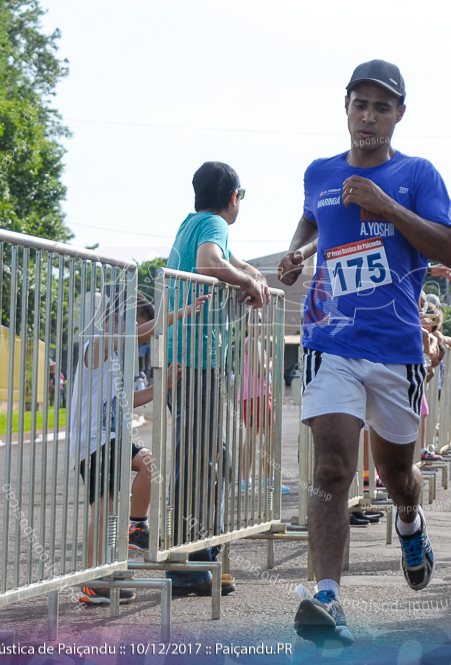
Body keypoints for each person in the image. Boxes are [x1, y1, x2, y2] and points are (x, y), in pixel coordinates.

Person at [277, 59, 451, 645]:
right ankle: (327, 597)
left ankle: (410, 521)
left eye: (383, 107)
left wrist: (387, 207)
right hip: (330, 339)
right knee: (332, 466)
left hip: (396, 347)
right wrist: (297, 253)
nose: (370, 116)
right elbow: (312, 218)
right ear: (347, 108)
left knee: (396, 473)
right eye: (361, 104)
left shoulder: (417, 174)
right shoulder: (320, 172)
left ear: (398, 115)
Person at [164, 161, 269, 597]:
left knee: (218, 460)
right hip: (197, 364)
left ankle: (208, 555)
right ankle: (188, 562)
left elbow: (227, 260)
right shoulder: (212, 226)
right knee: (198, 464)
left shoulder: (192, 223)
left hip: (188, 362)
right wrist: (250, 282)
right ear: (233, 198)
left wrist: (251, 276)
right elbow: (211, 264)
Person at [70, 290, 202, 605]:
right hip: (94, 441)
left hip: (111, 437)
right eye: (139, 326)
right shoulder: (99, 343)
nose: (141, 340)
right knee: (103, 507)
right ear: (119, 319)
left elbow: (127, 400)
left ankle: (135, 525)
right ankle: (92, 580)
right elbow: (142, 332)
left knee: (148, 464)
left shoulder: (114, 358)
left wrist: (162, 386)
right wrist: (180, 312)